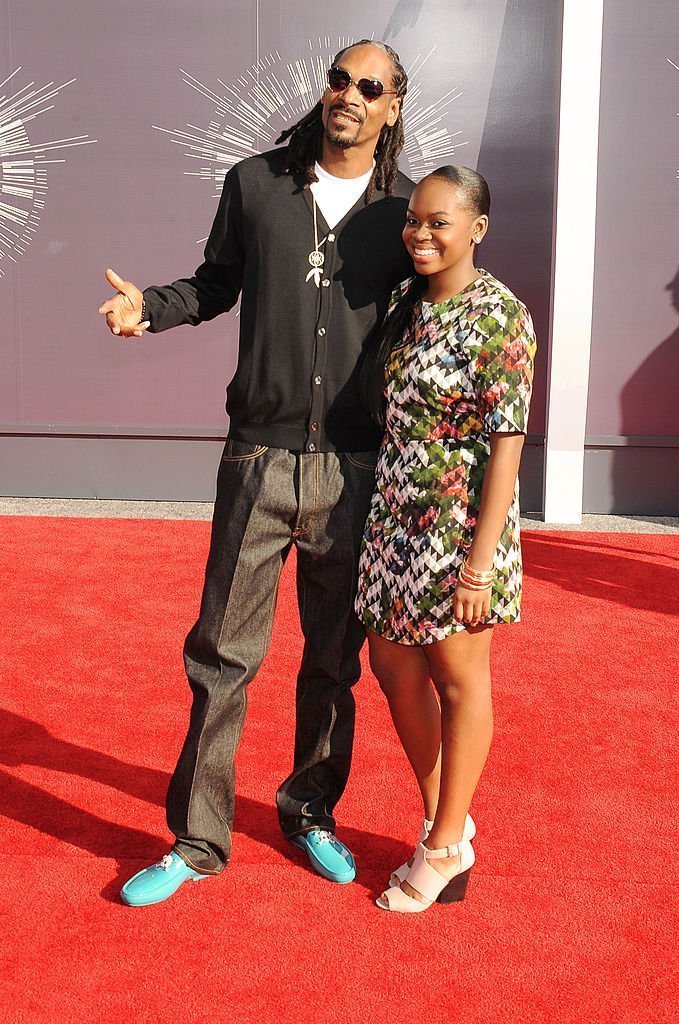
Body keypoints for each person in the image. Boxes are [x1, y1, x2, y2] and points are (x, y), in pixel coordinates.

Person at [98, 40, 414, 906]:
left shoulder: (403, 214)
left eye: (369, 87)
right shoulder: (255, 182)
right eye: (340, 79)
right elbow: (215, 283)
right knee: (221, 656)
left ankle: (309, 809)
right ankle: (198, 840)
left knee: (332, 660)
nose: (348, 95)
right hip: (257, 458)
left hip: (354, 467)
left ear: (392, 108)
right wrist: (148, 311)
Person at [355, 165, 536, 913]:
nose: (420, 234)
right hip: (393, 515)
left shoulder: (500, 316)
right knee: (391, 666)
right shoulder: (403, 300)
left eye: (438, 222)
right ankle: (446, 823)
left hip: (458, 529)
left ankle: (441, 845)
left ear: (476, 229)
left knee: (458, 681)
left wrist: (477, 565)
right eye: (413, 222)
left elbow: (506, 447)